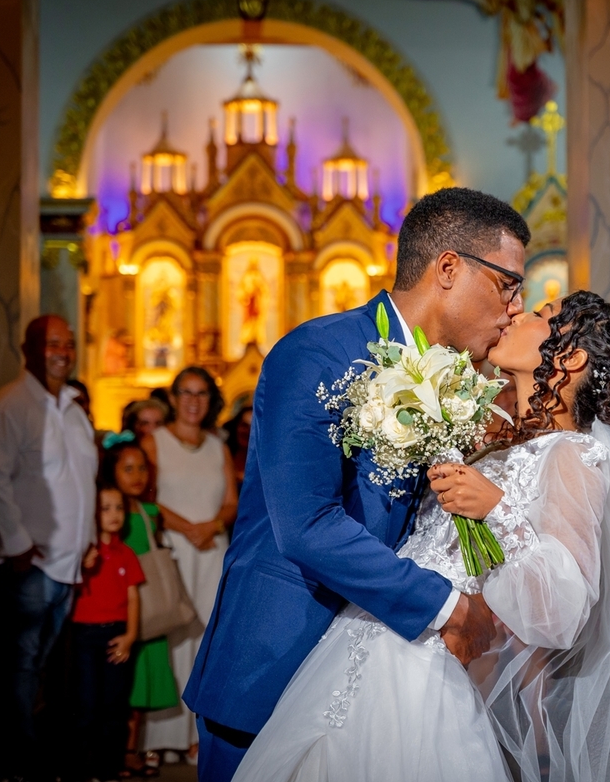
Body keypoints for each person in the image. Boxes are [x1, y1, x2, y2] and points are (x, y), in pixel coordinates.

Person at [235, 291, 610, 782]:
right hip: (366, 649)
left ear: (571, 357)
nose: (518, 313)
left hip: (427, 678)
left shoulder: (574, 457)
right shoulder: (503, 440)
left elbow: (560, 616)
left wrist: (495, 510)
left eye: (540, 315)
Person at [184, 187, 530, 781]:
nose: (514, 309)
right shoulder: (317, 354)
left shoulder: (455, 375)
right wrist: (447, 608)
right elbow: (308, 525)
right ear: (448, 268)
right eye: (507, 284)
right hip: (280, 654)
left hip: (381, 675)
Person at [0, 314, 98, 779]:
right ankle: (19, 763)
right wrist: (15, 543)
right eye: (53, 343)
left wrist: (89, 538)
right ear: (29, 349)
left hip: (70, 561)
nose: (63, 352)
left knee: (45, 671)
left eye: (69, 344)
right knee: (20, 670)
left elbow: (84, 480)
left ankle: (41, 757)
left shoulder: (75, 407)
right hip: (30, 563)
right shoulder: (10, 405)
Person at [141, 367, 238, 762]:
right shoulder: (154, 443)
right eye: (186, 392)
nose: (193, 401)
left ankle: (197, 736)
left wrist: (211, 526)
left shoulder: (218, 446)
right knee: (170, 640)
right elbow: (144, 496)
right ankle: (161, 738)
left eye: (201, 394)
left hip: (211, 550)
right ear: (173, 397)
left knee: (206, 642)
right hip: (173, 552)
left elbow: (232, 500)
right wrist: (187, 527)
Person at [99, 434, 177, 778]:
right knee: (123, 684)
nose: (136, 475)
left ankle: (132, 748)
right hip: (123, 609)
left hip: (149, 610)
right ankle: (123, 750)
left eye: (142, 468)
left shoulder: (150, 512)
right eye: (127, 468)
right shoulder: (108, 512)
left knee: (142, 683)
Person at [71, 483, 145, 781]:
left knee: (114, 705)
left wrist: (129, 636)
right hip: (84, 635)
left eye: (119, 508)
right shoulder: (84, 552)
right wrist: (81, 566)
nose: (114, 514)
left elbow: (133, 598)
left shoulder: (126, 554)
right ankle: (80, 768)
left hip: (117, 635)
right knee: (86, 705)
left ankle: (110, 768)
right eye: (105, 508)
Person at [221, 407, 252, 494]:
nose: (247, 432)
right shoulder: (222, 454)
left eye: (252, 428)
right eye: (244, 426)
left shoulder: (265, 465)